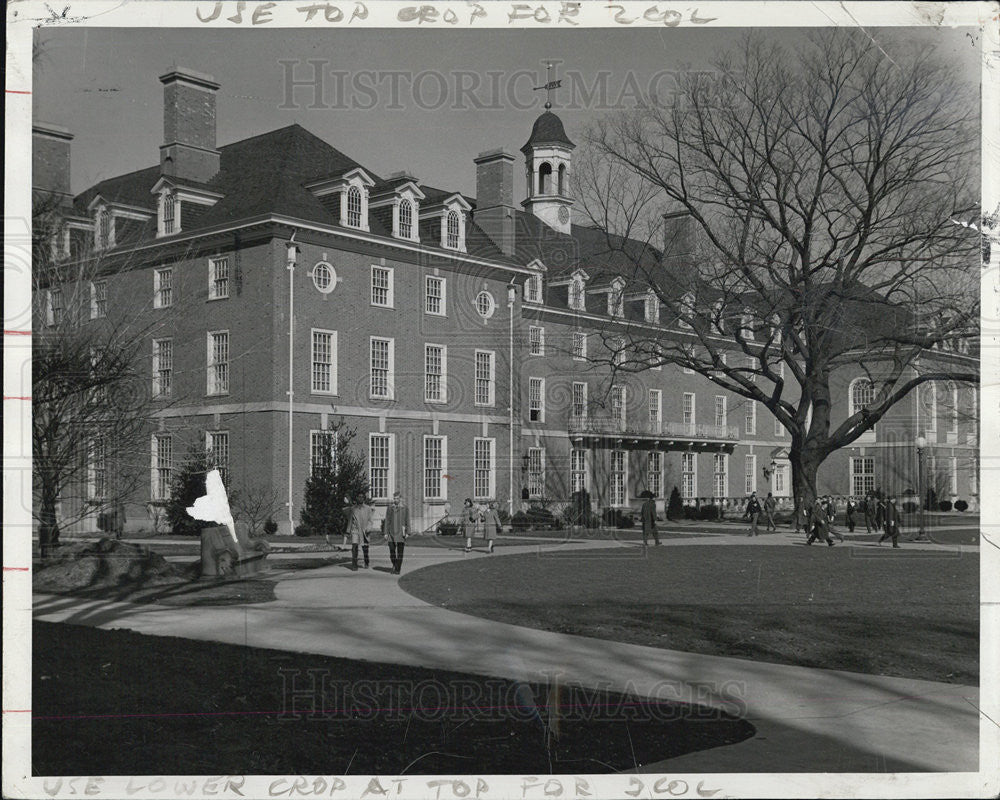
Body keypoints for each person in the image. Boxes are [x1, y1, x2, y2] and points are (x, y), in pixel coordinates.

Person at [383, 491, 409, 575]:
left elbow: (407, 520)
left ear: (400, 499)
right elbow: (387, 520)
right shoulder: (390, 508)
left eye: (397, 498)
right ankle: (394, 564)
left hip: (401, 532)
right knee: (392, 551)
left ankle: (398, 569)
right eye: (394, 498)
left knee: (400, 552)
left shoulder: (405, 508)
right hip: (391, 532)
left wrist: (408, 531)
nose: (395, 500)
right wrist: (386, 532)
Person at [348, 496, 373, 570]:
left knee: (365, 548)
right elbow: (350, 520)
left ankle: (366, 562)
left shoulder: (368, 508)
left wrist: (369, 527)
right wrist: (348, 530)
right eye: (358, 497)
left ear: (364, 499)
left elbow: (370, 520)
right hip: (355, 530)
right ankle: (354, 565)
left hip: (365, 530)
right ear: (356, 498)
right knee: (354, 546)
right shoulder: (353, 508)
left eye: (362, 497)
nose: (360, 498)